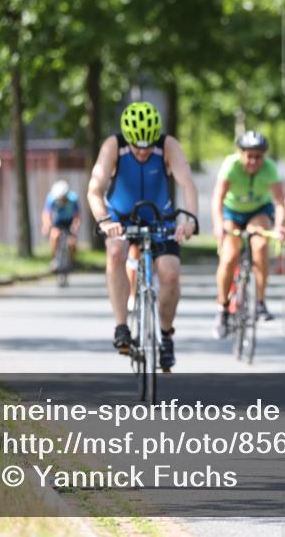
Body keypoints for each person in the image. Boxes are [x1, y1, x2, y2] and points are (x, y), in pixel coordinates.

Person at [86, 101, 198, 369]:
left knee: (170, 274)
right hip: (120, 217)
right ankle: (122, 326)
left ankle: (166, 334)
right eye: (138, 146)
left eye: (148, 145)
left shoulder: (167, 145)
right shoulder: (113, 145)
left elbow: (187, 184)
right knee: (115, 253)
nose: (143, 151)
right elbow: (94, 189)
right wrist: (104, 220)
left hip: (161, 216)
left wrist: (190, 220)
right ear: (127, 138)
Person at [211, 130, 285, 337]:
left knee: (261, 246)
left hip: (258, 211)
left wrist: (280, 226)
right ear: (240, 153)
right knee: (229, 256)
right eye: (249, 156)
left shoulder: (270, 169)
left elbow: (280, 203)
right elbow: (217, 198)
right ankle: (223, 307)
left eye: (258, 157)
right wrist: (218, 224)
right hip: (232, 212)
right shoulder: (231, 166)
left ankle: (260, 302)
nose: (253, 161)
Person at [40, 180, 80, 269]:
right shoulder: (51, 198)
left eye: (62, 198)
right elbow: (46, 213)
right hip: (58, 222)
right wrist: (46, 225)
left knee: (72, 242)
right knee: (54, 236)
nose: (61, 200)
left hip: (69, 221)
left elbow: (77, 215)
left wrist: (75, 226)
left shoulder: (73, 199)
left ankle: (72, 261)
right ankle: (54, 259)